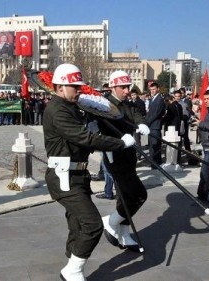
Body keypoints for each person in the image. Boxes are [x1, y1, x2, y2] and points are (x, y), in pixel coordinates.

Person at [43, 63, 136, 280]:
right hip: (63, 177)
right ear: (59, 87)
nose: (78, 90)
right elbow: (84, 138)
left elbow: (87, 138)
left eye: (79, 86)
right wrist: (119, 143)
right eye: (74, 86)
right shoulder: (56, 110)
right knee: (92, 224)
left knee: (77, 224)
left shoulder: (73, 107)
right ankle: (72, 270)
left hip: (77, 175)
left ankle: (72, 261)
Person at [96, 70, 150, 252]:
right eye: (122, 87)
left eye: (128, 86)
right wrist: (118, 141)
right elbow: (99, 131)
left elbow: (136, 114)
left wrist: (142, 123)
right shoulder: (104, 104)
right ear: (112, 86)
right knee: (138, 194)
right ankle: (110, 221)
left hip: (129, 155)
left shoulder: (127, 104)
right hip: (115, 155)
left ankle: (125, 233)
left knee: (126, 196)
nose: (127, 90)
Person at [145, 82, 166, 169]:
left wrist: (146, 122)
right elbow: (149, 113)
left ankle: (156, 164)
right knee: (151, 146)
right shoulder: (152, 99)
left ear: (158, 89)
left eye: (154, 89)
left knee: (155, 146)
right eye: (151, 90)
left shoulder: (159, 99)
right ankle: (153, 162)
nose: (152, 91)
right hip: (151, 126)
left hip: (155, 126)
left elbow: (156, 113)